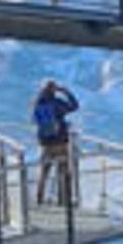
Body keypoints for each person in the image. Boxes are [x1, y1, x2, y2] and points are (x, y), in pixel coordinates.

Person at [32, 77, 79, 205]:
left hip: (46, 144)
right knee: (64, 172)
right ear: (54, 90)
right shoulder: (57, 103)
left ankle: (39, 199)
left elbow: (35, 120)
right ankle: (64, 200)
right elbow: (75, 106)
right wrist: (66, 91)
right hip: (61, 143)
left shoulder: (37, 104)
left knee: (44, 172)